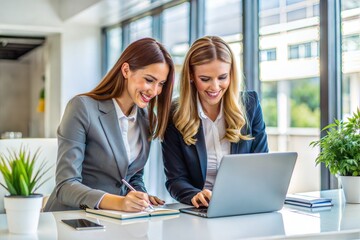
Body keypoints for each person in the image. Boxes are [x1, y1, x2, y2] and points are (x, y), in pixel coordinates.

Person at [45, 38, 174, 212]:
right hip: (73, 218)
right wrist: (120, 202)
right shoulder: (82, 107)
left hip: (113, 220)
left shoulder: (147, 120)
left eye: (161, 84)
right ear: (126, 70)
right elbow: (66, 186)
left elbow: (133, 176)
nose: (155, 91)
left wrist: (140, 197)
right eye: (149, 80)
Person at [162, 36, 268, 208]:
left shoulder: (250, 105)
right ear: (191, 75)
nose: (215, 87)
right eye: (205, 79)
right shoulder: (175, 113)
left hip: (243, 205)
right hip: (201, 210)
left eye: (222, 77)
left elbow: (263, 166)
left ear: (231, 74)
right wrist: (195, 195)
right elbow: (175, 180)